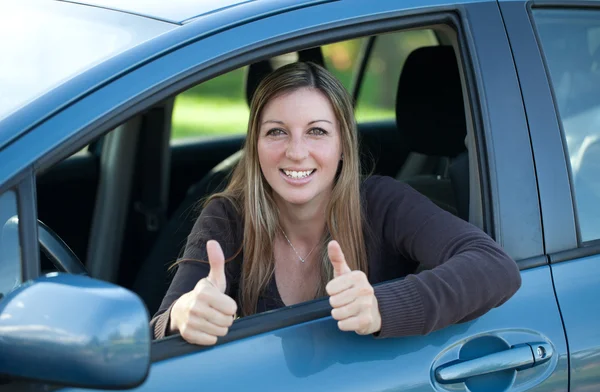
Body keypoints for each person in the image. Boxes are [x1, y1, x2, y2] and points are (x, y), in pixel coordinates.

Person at [151, 61, 521, 345]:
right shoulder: (228, 217)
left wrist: (382, 306)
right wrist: (182, 315)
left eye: (317, 131)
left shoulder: (380, 203)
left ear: (343, 145)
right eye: (277, 132)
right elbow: (161, 330)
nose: (296, 152)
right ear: (255, 146)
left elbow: (495, 267)